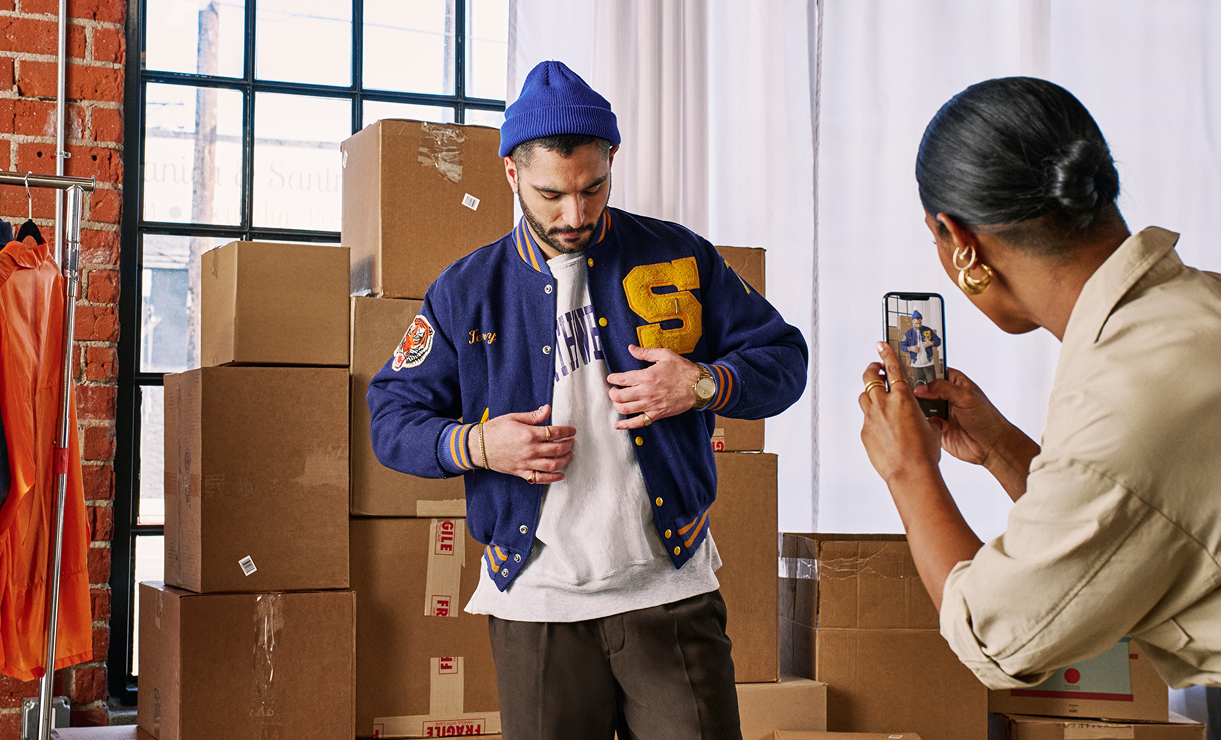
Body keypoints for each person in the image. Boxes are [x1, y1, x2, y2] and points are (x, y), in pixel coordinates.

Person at [368, 60, 808, 739]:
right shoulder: (464, 291)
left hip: (671, 589)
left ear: (611, 162)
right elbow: (391, 416)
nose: (574, 215)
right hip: (536, 603)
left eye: (592, 188)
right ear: (511, 173)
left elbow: (785, 359)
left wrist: (702, 383)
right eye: (551, 194)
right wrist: (477, 444)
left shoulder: (681, 257)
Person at [857, 76, 1221, 691]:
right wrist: (1000, 447)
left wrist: (909, 470)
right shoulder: (1193, 311)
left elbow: (997, 638)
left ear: (961, 243)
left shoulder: (1123, 396)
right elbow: (1125, 528)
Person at [898, 309, 941, 386]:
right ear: (912, 321)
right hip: (916, 365)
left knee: (933, 387)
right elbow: (902, 345)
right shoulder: (908, 333)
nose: (918, 325)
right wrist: (910, 348)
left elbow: (939, 341)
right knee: (919, 388)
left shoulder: (928, 330)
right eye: (916, 323)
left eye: (920, 323)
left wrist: (931, 343)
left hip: (929, 364)